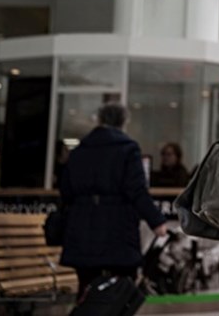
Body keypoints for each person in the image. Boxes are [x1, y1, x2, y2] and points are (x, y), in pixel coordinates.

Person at [59, 103, 167, 299]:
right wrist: (156, 221)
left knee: (87, 285)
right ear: (124, 123)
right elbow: (136, 190)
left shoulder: (80, 150)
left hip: (82, 230)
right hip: (117, 230)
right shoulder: (127, 149)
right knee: (120, 289)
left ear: (99, 121)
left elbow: (66, 191)